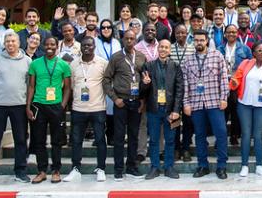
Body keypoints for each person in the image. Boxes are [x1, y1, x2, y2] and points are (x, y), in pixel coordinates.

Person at [0, 30, 31, 185]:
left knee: (21, 140)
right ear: (4, 44)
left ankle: (20, 172)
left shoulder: (27, 61)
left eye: (13, 41)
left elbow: (29, 84)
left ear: (19, 43)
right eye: (7, 41)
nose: (10, 44)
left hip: (20, 106)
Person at [182, 30, 230, 180]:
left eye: (202, 40)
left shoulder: (217, 56)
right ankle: (203, 165)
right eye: (196, 40)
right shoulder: (188, 60)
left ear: (207, 41)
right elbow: (185, 83)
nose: (199, 43)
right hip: (196, 103)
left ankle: (221, 166)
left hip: (214, 102)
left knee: (221, 133)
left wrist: (224, 98)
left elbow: (224, 78)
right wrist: (186, 103)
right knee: (200, 135)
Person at [26, 36, 72, 184]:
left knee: (56, 141)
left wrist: (63, 106)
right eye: (47, 44)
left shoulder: (64, 65)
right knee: (39, 140)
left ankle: (56, 170)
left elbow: (67, 88)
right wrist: (28, 107)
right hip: (39, 105)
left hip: (56, 106)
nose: (50, 47)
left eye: (52, 44)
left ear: (57, 47)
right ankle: (41, 171)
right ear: (43, 46)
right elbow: (31, 86)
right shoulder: (35, 64)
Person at [103, 29, 147, 181]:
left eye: (132, 39)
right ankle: (118, 169)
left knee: (134, 136)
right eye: (127, 38)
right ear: (123, 40)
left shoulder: (141, 57)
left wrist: (143, 100)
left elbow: (144, 80)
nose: (129, 41)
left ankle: (132, 167)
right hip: (121, 102)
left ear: (136, 40)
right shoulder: (116, 57)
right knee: (119, 136)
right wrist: (115, 98)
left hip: (136, 102)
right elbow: (106, 80)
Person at [230, 41, 262, 177]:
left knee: (258, 135)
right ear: (254, 53)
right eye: (260, 51)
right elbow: (236, 79)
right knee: (245, 134)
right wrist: (234, 82)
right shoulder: (245, 63)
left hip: (261, 106)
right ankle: (244, 165)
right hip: (244, 103)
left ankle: (259, 165)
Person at [64, 36, 108, 183]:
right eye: (84, 45)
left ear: (94, 46)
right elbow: (70, 85)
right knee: (76, 140)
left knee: (100, 139)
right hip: (78, 108)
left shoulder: (103, 63)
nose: (87, 47)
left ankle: (101, 168)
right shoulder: (74, 64)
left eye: (89, 45)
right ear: (80, 47)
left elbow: (108, 83)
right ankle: (76, 168)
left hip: (97, 108)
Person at [141, 39, 184, 180]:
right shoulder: (148, 66)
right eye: (161, 47)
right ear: (157, 48)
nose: (164, 49)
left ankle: (169, 167)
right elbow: (142, 91)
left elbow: (179, 89)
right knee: (153, 140)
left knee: (170, 140)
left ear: (170, 50)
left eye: (166, 47)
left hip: (170, 110)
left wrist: (177, 110)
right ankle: (154, 167)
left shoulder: (176, 66)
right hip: (154, 109)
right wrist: (145, 84)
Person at [220, 24, 253, 146]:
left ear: (237, 33)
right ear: (225, 34)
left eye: (234, 32)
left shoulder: (245, 49)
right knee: (223, 112)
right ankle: (221, 137)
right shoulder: (219, 49)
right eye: (229, 32)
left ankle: (234, 135)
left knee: (236, 111)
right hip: (223, 84)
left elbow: (251, 66)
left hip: (238, 84)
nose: (231, 34)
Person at [169, 24, 194, 162]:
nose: (180, 35)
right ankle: (176, 149)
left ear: (187, 34)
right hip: (174, 89)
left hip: (189, 89)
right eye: (178, 33)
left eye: (183, 33)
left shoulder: (192, 48)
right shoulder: (170, 48)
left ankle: (186, 148)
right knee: (175, 120)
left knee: (188, 121)